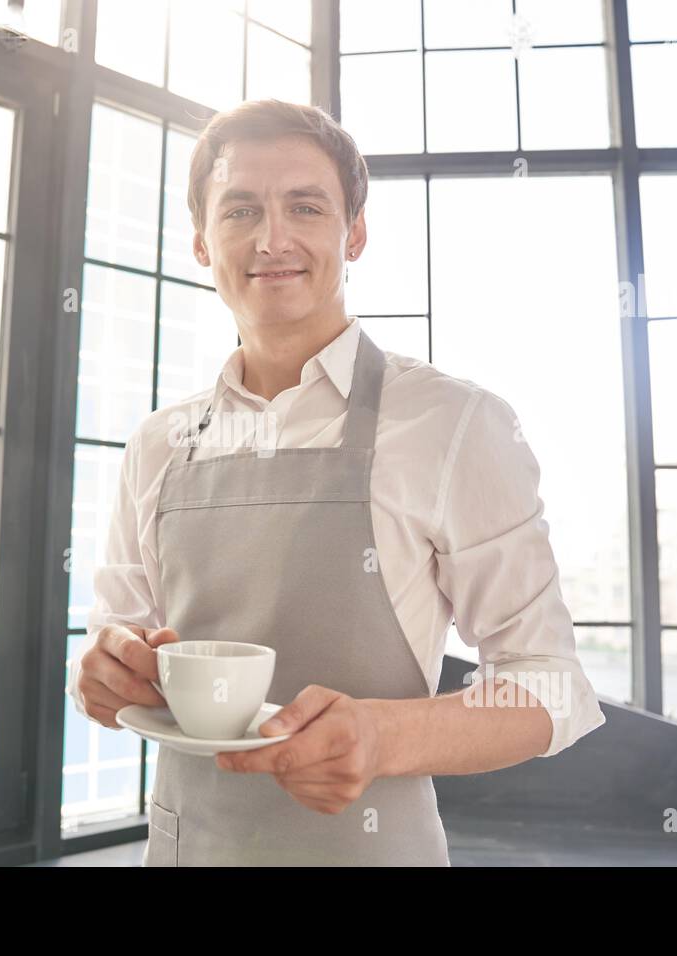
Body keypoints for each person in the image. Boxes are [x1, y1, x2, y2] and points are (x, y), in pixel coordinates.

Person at [67, 98, 606, 866]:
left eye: (306, 206)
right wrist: (104, 677)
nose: (272, 238)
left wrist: (386, 736)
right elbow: (115, 646)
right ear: (200, 241)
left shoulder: (455, 425)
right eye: (241, 209)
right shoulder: (159, 445)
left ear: (353, 233)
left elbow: (553, 687)